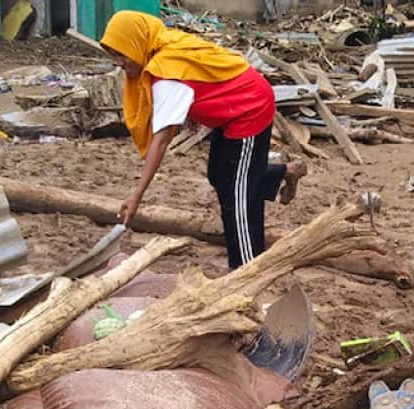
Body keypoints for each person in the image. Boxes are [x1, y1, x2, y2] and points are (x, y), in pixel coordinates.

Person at [100, 11, 307, 269]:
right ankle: (284, 172)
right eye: (113, 55)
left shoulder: (166, 73)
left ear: (136, 43)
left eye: (121, 54)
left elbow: (162, 140)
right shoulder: (161, 43)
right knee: (219, 175)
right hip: (231, 108)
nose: (119, 62)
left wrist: (137, 195)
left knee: (237, 197)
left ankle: (245, 268)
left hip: (249, 109)